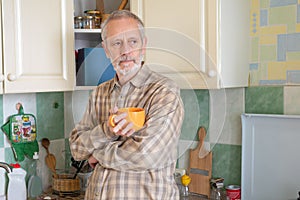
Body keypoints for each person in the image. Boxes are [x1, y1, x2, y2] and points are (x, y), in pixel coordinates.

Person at [69, 10, 184, 200]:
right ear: (106, 49)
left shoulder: (163, 92)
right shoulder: (99, 93)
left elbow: (147, 155)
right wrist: (107, 130)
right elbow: (76, 149)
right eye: (116, 43)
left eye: (133, 41)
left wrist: (97, 155)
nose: (125, 51)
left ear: (143, 45)